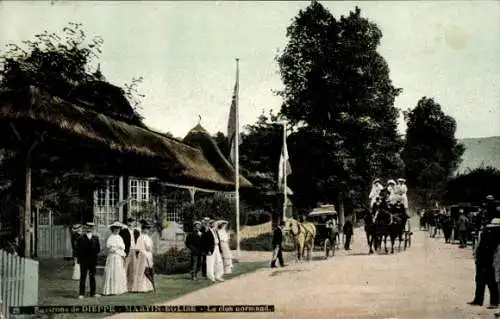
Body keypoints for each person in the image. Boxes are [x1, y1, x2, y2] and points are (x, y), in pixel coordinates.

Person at [469, 218, 500, 309]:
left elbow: (478, 246)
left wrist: (476, 257)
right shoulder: (496, 234)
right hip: (490, 260)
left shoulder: (484, 232)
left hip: (482, 259)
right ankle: (494, 302)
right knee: (491, 282)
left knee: (480, 281)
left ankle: (478, 300)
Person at [76, 222, 100, 299]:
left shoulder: (96, 238)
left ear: (93, 228)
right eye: (87, 227)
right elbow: (78, 250)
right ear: (85, 228)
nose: (89, 228)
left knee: (92, 276)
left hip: (93, 260)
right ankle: (81, 293)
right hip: (84, 260)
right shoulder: (80, 238)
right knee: (83, 276)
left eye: (91, 227)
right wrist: (79, 259)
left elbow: (98, 249)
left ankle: (93, 293)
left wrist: (94, 254)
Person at [102, 221, 127, 296]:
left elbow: (123, 247)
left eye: (118, 229)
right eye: (115, 229)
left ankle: (118, 289)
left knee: (118, 272)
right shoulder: (111, 237)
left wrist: (119, 248)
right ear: (113, 229)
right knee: (112, 272)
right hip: (112, 257)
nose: (117, 230)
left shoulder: (120, 238)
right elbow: (109, 246)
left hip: (118, 257)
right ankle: (111, 290)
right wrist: (116, 248)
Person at [131, 220, 154, 293]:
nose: (146, 230)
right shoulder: (144, 237)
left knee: (144, 270)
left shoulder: (143, 237)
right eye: (145, 229)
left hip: (144, 255)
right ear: (143, 229)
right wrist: (147, 249)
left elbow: (137, 248)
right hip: (144, 255)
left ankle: (146, 287)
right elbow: (148, 247)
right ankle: (142, 287)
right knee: (143, 271)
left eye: (147, 229)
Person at [119, 218, 140, 291]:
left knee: (133, 270)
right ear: (127, 222)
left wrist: (138, 252)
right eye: (129, 221)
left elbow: (139, 243)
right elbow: (120, 242)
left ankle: (131, 288)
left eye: (132, 222)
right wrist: (122, 252)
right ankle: (123, 287)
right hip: (126, 252)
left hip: (134, 251)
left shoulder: (137, 232)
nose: (130, 223)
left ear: (134, 223)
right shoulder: (123, 232)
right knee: (124, 269)